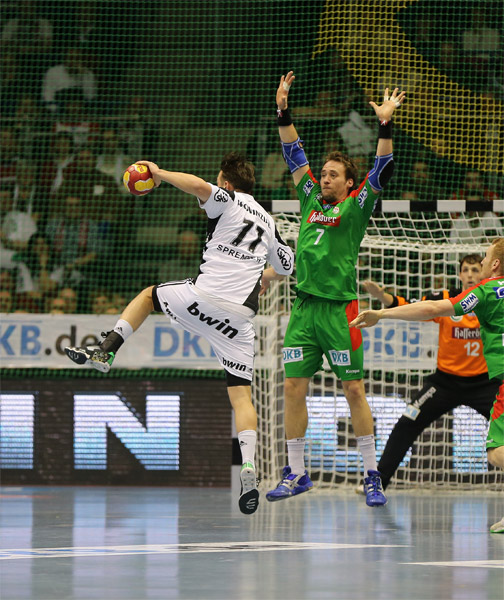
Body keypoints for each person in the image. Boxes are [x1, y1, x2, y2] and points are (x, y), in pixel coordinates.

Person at [63, 152, 295, 516]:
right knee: (241, 396)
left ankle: (106, 350)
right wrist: (262, 275)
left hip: (204, 299)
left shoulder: (227, 199)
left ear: (227, 183)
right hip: (239, 321)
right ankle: (249, 464)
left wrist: (159, 173)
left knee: (147, 296)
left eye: (219, 180)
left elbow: (199, 187)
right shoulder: (270, 222)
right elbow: (286, 265)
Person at [263, 71, 405, 507]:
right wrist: (283, 111)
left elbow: (383, 169)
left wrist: (385, 124)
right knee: (292, 388)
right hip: (304, 310)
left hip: (341, 312)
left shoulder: (357, 207)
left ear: (347, 182)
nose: (324, 178)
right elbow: (293, 152)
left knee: (354, 390)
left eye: (332, 175)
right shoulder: (308, 197)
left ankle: (372, 475)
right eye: (323, 173)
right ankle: (296, 473)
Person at [351, 238, 504, 533]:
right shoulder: (455, 299)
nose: (473, 272)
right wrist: (382, 299)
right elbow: (419, 306)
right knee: (407, 422)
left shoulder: (483, 294)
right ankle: (378, 480)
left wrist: (380, 314)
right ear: (459, 274)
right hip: (445, 382)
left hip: (486, 384)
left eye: (478, 265)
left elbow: (428, 308)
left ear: (492, 265)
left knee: (497, 451)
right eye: (467, 269)